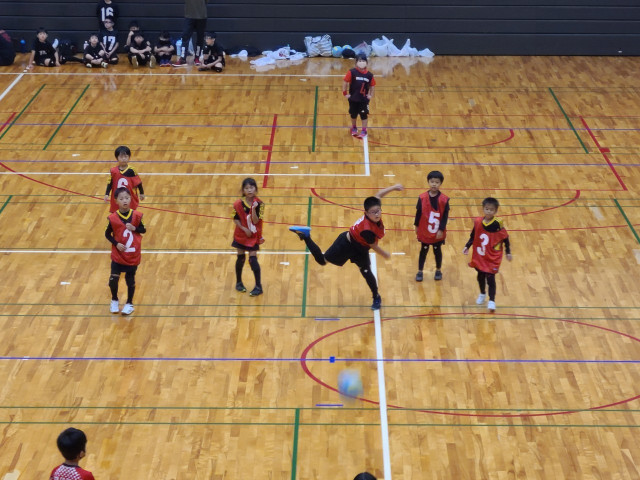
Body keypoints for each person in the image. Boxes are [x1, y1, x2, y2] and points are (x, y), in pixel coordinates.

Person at [289, 184, 403, 310]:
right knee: (322, 260)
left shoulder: (373, 207)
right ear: (366, 213)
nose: (377, 214)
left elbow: (379, 194)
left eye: (378, 210)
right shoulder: (367, 230)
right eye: (373, 212)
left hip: (361, 249)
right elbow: (374, 246)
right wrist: (384, 254)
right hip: (346, 244)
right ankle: (306, 236)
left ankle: (376, 297)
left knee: (366, 272)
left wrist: (394, 187)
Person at [462, 197, 512, 313]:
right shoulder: (478, 222)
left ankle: (492, 300)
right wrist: (467, 246)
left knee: (490, 278)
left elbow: (505, 238)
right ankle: (482, 293)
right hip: (480, 255)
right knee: (480, 276)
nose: (488, 211)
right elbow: (473, 236)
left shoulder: (498, 225)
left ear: (495, 211)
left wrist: (508, 252)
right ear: (483, 209)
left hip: (492, 257)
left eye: (491, 210)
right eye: (487, 209)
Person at [105, 187, 146, 315]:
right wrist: (116, 244)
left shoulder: (137, 215)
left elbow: (143, 230)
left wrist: (135, 228)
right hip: (118, 254)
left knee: (130, 279)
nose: (125, 201)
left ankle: (129, 303)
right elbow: (107, 234)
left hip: (132, 254)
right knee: (113, 279)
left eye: (127, 198)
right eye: (121, 198)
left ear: (130, 199)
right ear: (116, 200)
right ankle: (114, 300)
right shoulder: (113, 218)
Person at [414, 170, 450, 281]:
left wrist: (441, 229)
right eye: (432, 182)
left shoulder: (444, 199)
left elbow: (445, 216)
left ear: (440, 183)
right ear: (428, 182)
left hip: (437, 231)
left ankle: (438, 270)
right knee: (423, 250)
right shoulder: (422, 197)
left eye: (437, 182)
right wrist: (416, 225)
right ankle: (420, 271)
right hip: (425, 229)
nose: (434, 184)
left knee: (437, 250)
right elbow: (418, 213)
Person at [232, 178, 265, 296]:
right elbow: (235, 218)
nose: (249, 190)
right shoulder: (237, 204)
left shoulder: (260, 204)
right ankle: (239, 283)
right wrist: (244, 228)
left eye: (251, 187)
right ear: (243, 190)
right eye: (246, 188)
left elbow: (256, 221)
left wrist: (254, 209)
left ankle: (258, 286)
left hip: (253, 235)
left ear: (255, 189)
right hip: (241, 234)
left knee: (252, 259)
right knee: (240, 258)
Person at [104, 145, 145, 213]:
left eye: (126, 156)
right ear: (117, 158)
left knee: (130, 213)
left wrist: (142, 193)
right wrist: (106, 194)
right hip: (118, 197)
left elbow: (138, 182)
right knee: (117, 214)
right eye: (121, 157)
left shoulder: (132, 170)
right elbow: (110, 183)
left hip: (129, 197)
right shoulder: (113, 171)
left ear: (129, 157)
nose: (123, 159)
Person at [343, 53, 375, 138]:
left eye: (363, 61)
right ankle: (354, 127)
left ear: (366, 63)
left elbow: (372, 85)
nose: (361, 63)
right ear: (356, 62)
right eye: (360, 61)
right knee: (353, 114)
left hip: (363, 100)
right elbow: (345, 81)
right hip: (353, 98)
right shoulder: (352, 72)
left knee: (363, 115)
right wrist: (345, 93)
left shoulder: (369, 75)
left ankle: (364, 130)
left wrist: (371, 95)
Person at [173, 0, 208, 66]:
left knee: (200, 38)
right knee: (185, 36)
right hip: (189, 16)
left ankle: (197, 58)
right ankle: (183, 58)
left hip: (201, 16)